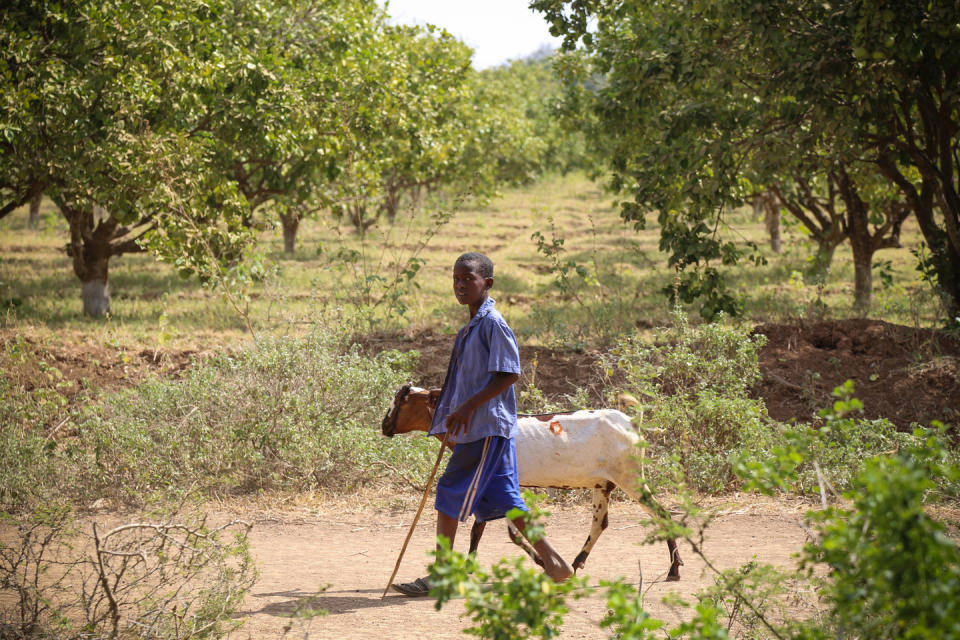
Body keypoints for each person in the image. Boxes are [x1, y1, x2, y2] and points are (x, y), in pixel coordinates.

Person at [392, 252, 573, 597]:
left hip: (485, 428)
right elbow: (473, 379)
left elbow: (509, 374)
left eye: (468, 279)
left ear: (487, 284)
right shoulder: (469, 329)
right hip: (487, 428)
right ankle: (556, 564)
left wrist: (466, 407)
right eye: (456, 280)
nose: (461, 286)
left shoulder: (493, 323)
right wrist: (444, 394)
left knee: (448, 490)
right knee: (507, 500)